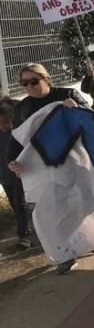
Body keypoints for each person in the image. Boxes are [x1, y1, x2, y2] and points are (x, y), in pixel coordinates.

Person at [7, 64, 88, 274]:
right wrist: (12, 161)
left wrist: (76, 108)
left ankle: (87, 240)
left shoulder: (66, 94)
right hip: (42, 167)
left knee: (80, 205)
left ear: (47, 79)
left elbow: (91, 119)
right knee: (47, 212)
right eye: (24, 83)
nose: (29, 86)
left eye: (34, 81)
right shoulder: (21, 108)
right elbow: (16, 139)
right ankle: (64, 254)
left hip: (74, 162)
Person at [0, 98, 32, 249]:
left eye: (6, 122)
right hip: (4, 176)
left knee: (20, 203)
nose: (3, 126)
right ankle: (27, 227)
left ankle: (24, 236)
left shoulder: (18, 134)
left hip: (19, 174)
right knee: (15, 204)